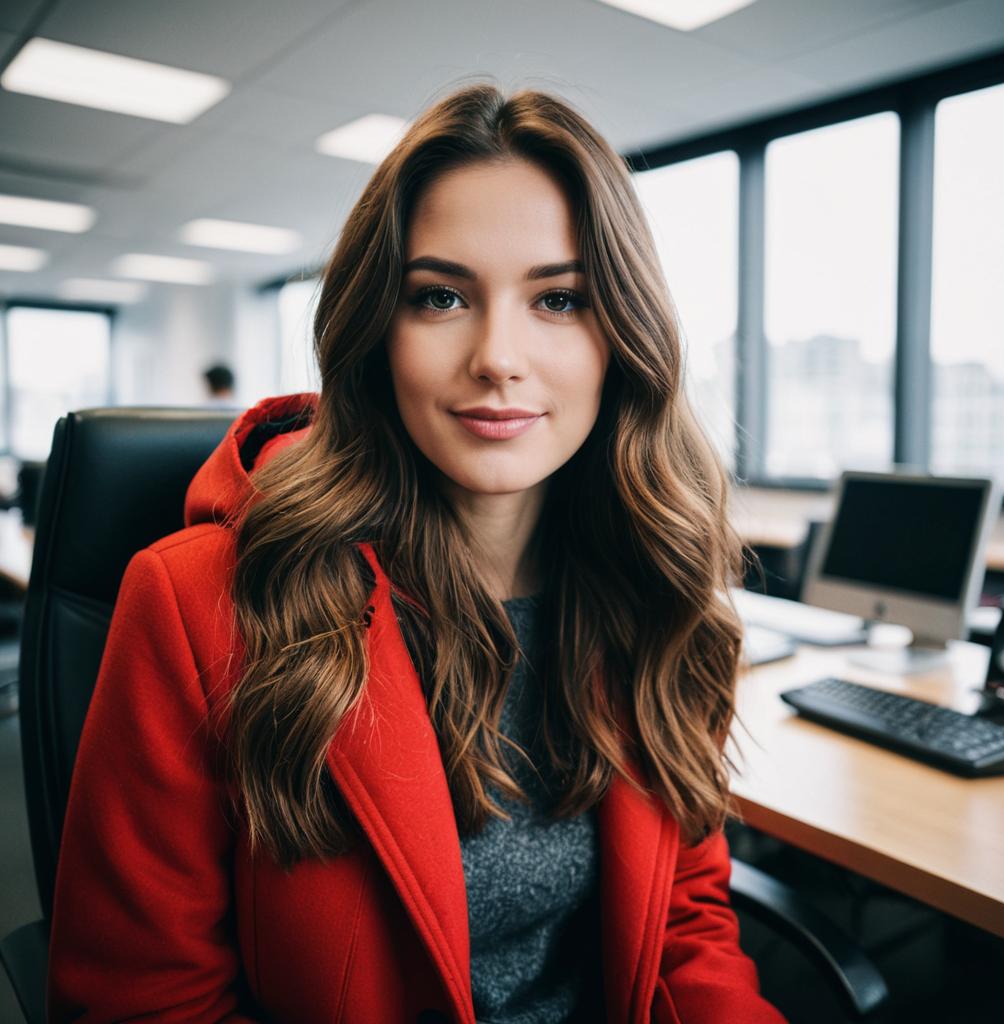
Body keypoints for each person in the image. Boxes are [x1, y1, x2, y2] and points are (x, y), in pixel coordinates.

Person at [47, 83, 785, 1024]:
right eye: (440, 297)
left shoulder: (653, 594)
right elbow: (144, 1003)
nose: (498, 356)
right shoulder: (197, 608)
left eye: (559, 299)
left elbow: (686, 928)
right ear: (376, 335)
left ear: (622, 339)